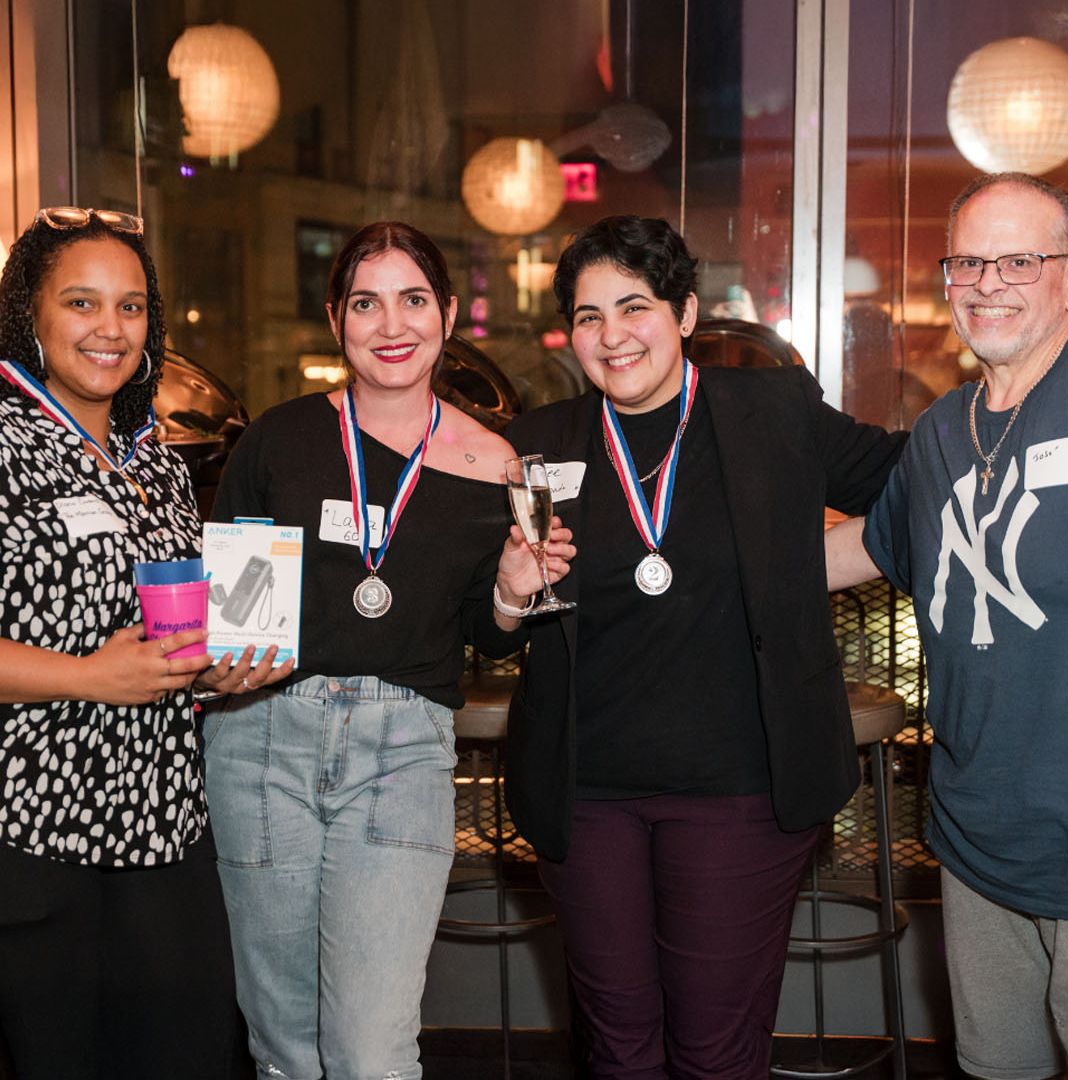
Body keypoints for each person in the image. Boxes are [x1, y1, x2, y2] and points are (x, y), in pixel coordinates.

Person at [491, 215, 905, 1078]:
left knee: (718, 1050)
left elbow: (911, 483)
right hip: (586, 793)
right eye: (589, 315)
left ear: (683, 313)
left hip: (740, 791)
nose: (612, 336)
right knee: (617, 1045)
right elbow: (480, 613)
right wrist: (505, 594)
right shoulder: (539, 448)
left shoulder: (771, 412)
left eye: (633, 307)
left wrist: (812, 564)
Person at [203, 220, 569, 1080]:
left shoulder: (498, 462)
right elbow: (237, 611)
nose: (390, 324)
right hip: (262, 737)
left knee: (372, 1051)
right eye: (365, 303)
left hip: (401, 751)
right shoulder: (279, 441)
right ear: (337, 320)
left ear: (446, 312)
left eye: (412, 299)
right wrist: (213, 660)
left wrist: (515, 587)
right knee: (285, 1046)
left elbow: (490, 635)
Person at [0, 207, 284, 1079]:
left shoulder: (154, 457)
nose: (109, 329)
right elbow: (97, 660)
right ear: (31, 317)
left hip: (165, 822)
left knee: (192, 1054)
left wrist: (218, 666)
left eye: (130, 308)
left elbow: (168, 629)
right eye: (81, 303)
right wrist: (88, 677)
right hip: (38, 832)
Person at [827, 172, 1068, 1080]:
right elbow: (871, 546)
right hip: (977, 841)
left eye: (1020, 259)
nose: (989, 282)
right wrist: (688, 551)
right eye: (969, 261)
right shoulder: (941, 431)